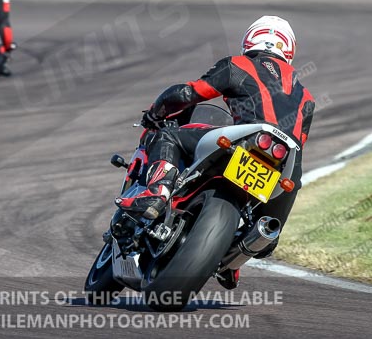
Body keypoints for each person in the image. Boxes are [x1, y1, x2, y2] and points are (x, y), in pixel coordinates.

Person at [116, 15, 314, 289]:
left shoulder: (237, 65)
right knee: (286, 192)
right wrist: (276, 221)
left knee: (168, 135)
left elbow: (189, 94)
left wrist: (156, 112)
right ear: (289, 51)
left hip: (245, 137)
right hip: (283, 159)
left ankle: (157, 192)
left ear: (250, 40)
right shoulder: (306, 97)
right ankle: (240, 253)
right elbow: (298, 150)